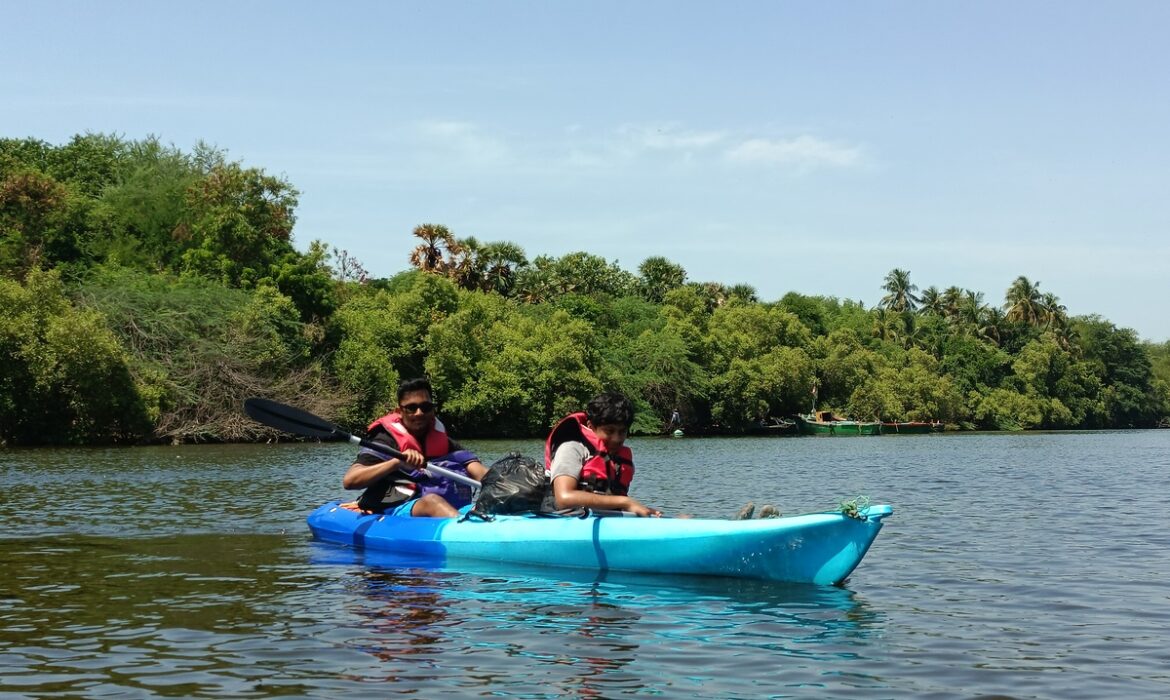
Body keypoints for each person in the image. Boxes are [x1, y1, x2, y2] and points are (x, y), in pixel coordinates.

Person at [341, 377, 486, 517]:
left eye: (425, 407)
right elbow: (350, 480)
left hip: (449, 509)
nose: (419, 413)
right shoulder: (386, 442)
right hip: (400, 507)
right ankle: (461, 530)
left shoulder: (447, 444)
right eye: (411, 408)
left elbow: (481, 473)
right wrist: (396, 463)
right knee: (432, 501)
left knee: (490, 503)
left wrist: (501, 482)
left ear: (433, 410)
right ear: (399, 411)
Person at [545, 392, 662, 517]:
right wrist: (625, 502)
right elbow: (564, 498)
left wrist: (639, 509)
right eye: (609, 431)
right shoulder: (571, 448)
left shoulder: (617, 457)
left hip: (604, 518)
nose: (616, 439)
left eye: (622, 432)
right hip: (563, 519)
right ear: (591, 426)